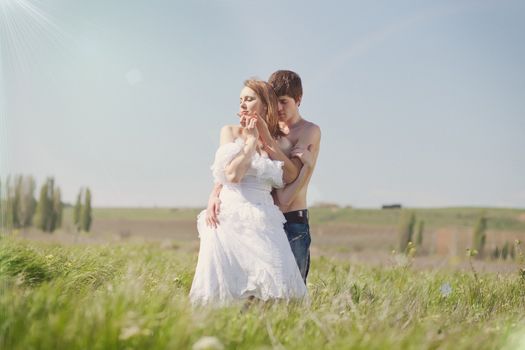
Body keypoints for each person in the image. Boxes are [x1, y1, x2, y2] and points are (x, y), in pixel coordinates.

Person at [189, 79, 307, 306]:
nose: (242, 104)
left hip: (265, 219)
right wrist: (251, 141)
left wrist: (265, 137)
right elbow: (232, 175)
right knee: (228, 288)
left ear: (265, 105)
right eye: (240, 100)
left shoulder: (279, 141)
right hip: (229, 215)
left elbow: (290, 176)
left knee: (274, 287)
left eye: (249, 99)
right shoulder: (230, 131)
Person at [206, 70, 321, 283]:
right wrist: (215, 193)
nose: (279, 108)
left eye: (284, 102)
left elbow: (290, 180)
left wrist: (308, 166)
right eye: (275, 102)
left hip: (291, 217)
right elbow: (228, 169)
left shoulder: (307, 131)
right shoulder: (266, 129)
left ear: (298, 100)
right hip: (262, 218)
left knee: (290, 290)